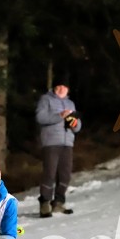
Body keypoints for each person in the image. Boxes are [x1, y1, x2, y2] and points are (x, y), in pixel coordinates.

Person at [35, 74, 82, 218]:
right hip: (51, 142)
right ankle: (45, 203)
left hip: (67, 143)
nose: (62, 89)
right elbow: (40, 118)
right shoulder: (46, 100)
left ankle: (59, 203)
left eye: (64, 87)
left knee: (65, 175)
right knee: (49, 173)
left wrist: (74, 123)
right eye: (59, 87)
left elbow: (78, 126)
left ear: (68, 89)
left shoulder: (71, 104)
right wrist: (60, 116)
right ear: (54, 88)